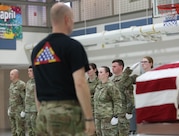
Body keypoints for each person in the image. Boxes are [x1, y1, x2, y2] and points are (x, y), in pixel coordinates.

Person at [31, 2, 95, 136]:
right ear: (67, 19)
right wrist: (89, 118)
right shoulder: (73, 47)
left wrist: (41, 112)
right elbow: (80, 83)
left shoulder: (37, 49)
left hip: (43, 113)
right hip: (67, 113)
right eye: (72, 19)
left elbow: (37, 86)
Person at [94, 66, 122, 136]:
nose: (99, 74)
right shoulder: (98, 86)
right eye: (98, 72)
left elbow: (117, 100)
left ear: (107, 74)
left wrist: (116, 116)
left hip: (108, 117)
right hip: (98, 117)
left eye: (101, 72)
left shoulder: (111, 86)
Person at [111, 59, 137, 136]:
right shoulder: (113, 80)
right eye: (112, 66)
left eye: (114, 66)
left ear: (121, 67)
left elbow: (121, 86)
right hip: (115, 113)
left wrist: (128, 71)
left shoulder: (127, 79)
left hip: (125, 112)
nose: (112, 68)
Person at [8, 69, 26, 136]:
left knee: (20, 131)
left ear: (17, 75)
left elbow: (25, 98)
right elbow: (11, 98)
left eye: (12, 74)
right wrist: (9, 108)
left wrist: (24, 111)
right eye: (10, 74)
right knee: (13, 130)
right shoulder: (11, 85)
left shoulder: (21, 84)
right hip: (12, 111)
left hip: (19, 111)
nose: (10, 76)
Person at [24, 65, 37, 136]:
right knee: (29, 129)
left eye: (30, 71)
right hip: (28, 109)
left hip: (34, 109)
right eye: (28, 71)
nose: (29, 72)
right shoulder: (28, 82)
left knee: (35, 128)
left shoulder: (38, 82)